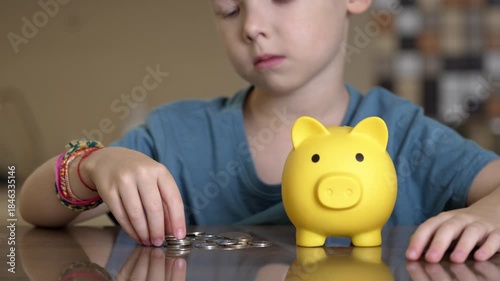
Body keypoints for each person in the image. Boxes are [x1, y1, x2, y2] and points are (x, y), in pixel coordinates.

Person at [19, 0, 500, 264]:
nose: (252, 26)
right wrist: (95, 164)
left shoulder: (405, 134)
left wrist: (486, 216)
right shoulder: (177, 135)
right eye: (229, 9)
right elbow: (30, 208)